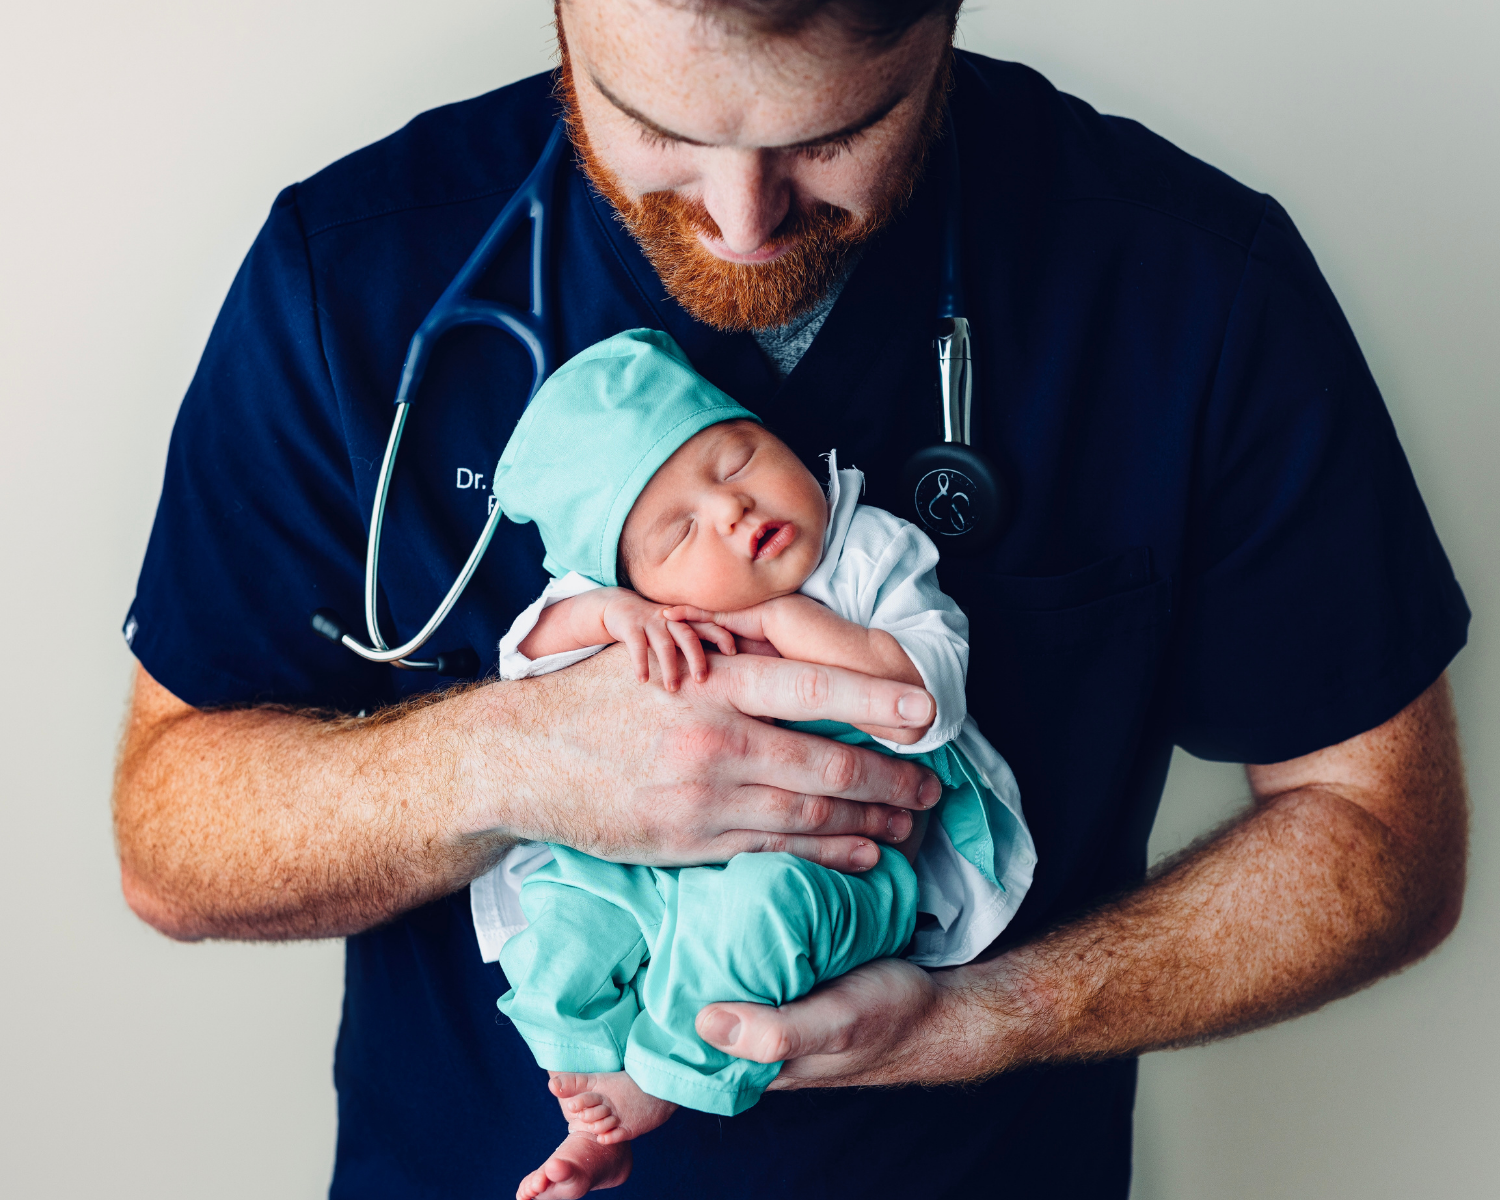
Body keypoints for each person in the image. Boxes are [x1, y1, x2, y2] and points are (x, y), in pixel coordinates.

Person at [112, 1, 1470, 1196]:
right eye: (654, 125)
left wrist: (979, 1015)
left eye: (834, 136)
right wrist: (509, 759)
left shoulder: (1188, 288)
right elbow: (169, 840)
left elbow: (1381, 831)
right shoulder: (350, 276)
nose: (742, 219)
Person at [467, 327, 1033, 1197]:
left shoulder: (868, 554)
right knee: (563, 913)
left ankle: (661, 1081)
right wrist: (611, 619)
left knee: (755, 917)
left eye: (737, 462)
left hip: (832, 865)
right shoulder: (627, 603)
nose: (729, 510)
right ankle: (580, 1072)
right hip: (652, 867)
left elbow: (930, 697)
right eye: (679, 531)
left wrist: (806, 630)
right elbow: (527, 656)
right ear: (633, 578)